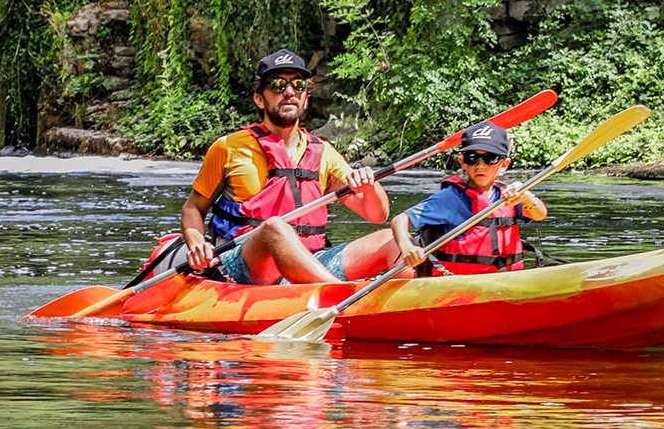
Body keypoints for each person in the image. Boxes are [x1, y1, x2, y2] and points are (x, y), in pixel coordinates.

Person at [180, 50, 415, 285]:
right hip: (242, 263)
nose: (289, 92)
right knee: (274, 227)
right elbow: (193, 208)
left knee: (390, 239)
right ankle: (340, 293)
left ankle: (422, 299)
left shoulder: (324, 152)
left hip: (312, 259)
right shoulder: (228, 147)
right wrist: (197, 242)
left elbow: (377, 215)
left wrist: (370, 186)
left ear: (305, 98)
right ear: (260, 99)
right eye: (278, 85)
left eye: (298, 85)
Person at [388, 121, 547, 275]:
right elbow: (399, 220)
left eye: (489, 158)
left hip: (507, 279)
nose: (480, 166)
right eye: (472, 158)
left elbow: (540, 214)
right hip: (458, 284)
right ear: (462, 161)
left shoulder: (509, 194)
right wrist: (407, 247)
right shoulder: (450, 198)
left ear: (504, 164)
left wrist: (526, 197)